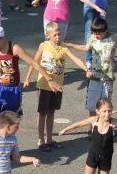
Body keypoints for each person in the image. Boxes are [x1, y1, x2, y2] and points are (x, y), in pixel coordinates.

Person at [24, 21, 89, 150]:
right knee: (42, 113)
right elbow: (34, 62)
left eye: (59, 34)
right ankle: (41, 140)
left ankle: (49, 138)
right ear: (48, 36)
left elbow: (76, 59)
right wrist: (27, 78)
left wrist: (86, 69)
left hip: (58, 86)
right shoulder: (44, 46)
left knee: (51, 112)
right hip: (44, 85)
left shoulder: (63, 47)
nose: (58, 37)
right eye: (55, 35)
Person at [68, 17, 117, 114]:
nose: (96, 35)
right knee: (92, 106)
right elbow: (86, 48)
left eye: (99, 33)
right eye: (94, 32)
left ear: (105, 30)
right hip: (94, 76)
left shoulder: (114, 38)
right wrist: (71, 45)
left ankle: (104, 126)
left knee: (105, 106)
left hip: (108, 78)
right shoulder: (93, 38)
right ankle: (93, 127)